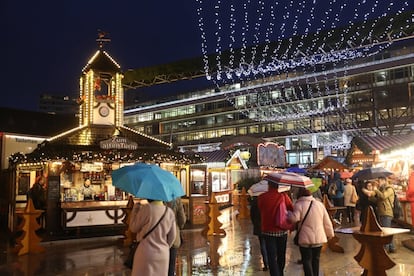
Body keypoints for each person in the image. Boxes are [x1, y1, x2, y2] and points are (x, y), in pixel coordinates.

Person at [288, 188, 334, 276]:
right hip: (319, 238)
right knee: (316, 259)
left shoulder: (299, 204)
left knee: (306, 260)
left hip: (305, 238)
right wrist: (330, 234)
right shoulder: (320, 204)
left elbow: (294, 219)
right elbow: (327, 221)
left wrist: (289, 213)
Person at [129, 199, 176, 275]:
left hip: (145, 252)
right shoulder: (169, 212)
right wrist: (164, 247)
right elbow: (172, 236)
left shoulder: (147, 209)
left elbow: (133, 228)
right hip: (163, 254)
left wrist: (135, 210)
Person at [258, 181, 293, 276]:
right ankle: (280, 272)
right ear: (278, 186)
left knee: (271, 256)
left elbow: (259, 210)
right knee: (281, 254)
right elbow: (290, 208)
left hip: (268, 230)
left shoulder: (262, 197)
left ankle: (274, 274)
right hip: (282, 230)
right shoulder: (283, 196)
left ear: (269, 186)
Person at [367, 177, 396, 253]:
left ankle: (385, 248)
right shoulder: (381, 189)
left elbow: (383, 196)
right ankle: (391, 247)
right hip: (381, 212)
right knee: (387, 230)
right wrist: (371, 196)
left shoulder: (389, 189)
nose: (378, 183)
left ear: (384, 181)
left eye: (379, 181)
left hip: (387, 212)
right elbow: (377, 201)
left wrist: (376, 190)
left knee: (385, 231)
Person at [247, 180, 269, 271]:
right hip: (269, 226)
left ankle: (266, 263)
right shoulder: (268, 200)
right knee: (270, 244)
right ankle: (271, 261)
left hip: (259, 227)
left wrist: (255, 224)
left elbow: (252, 215)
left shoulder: (255, 202)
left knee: (263, 245)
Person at [166, 197, 186, 276]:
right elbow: (182, 219)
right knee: (171, 265)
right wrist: (179, 226)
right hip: (173, 236)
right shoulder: (176, 199)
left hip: (159, 238)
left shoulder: (156, 198)